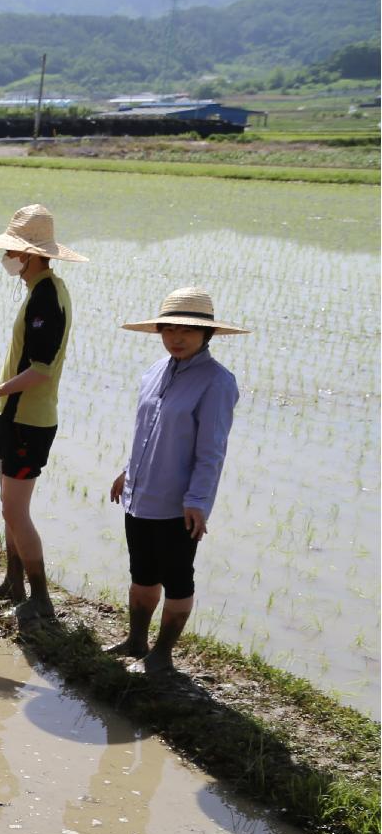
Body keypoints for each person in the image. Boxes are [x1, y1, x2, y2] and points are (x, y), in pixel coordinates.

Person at [0, 205, 86, 623]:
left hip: (29, 420)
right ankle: (13, 582)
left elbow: (40, 371)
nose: (6, 258)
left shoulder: (47, 295)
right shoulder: (42, 288)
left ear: (30, 255)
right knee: (9, 505)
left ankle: (40, 596)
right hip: (16, 416)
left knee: (15, 510)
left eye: (12, 250)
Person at [106, 288, 246, 675]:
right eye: (169, 329)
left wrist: (197, 502)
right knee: (142, 573)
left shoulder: (217, 383)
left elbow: (211, 451)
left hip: (178, 505)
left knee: (178, 579)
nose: (177, 338)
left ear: (208, 335)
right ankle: (136, 640)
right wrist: (127, 472)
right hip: (140, 496)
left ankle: (162, 655)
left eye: (188, 330)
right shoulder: (154, 372)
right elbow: (145, 433)